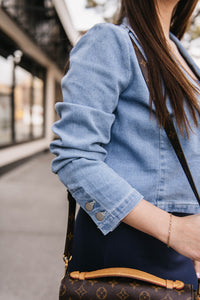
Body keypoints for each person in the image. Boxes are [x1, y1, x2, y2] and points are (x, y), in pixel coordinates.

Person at [50, 0, 200, 290]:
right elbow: (75, 157)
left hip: (184, 253)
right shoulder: (110, 42)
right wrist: (175, 230)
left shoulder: (181, 55)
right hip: (134, 252)